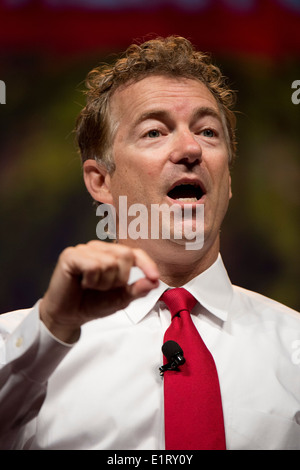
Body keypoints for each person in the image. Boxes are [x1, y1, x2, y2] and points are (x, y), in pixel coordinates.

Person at [0, 36, 299, 451]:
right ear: (101, 180)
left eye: (208, 131)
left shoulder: (294, 345)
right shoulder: (20, 342)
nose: (191, 148)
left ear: (228, 182)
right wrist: (50, 330)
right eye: (155, 131)